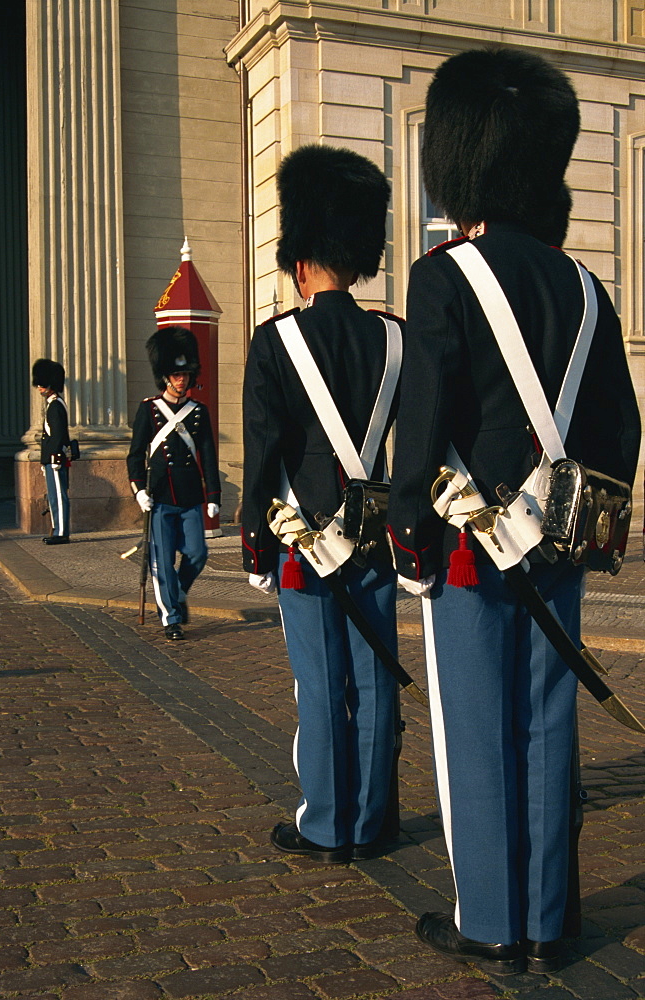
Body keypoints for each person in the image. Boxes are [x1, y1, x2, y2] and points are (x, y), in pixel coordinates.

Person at [388, 48, 641, 975]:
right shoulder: (586, 287)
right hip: (559, 545)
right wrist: (575, 520)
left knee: (477, 732)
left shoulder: (445, 275)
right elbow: (620, 428)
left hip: (468, 548)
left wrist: (409, 528)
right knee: (546, 727)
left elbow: (421, 426)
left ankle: (490, 921)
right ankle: (546, 923)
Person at [242, 144, 404, 863]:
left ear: (300, 262)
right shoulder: (395, 339)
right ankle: (372, 824)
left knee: (319, 683)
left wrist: (256, 537)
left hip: (305, 542)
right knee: (373, 679)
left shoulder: (276, 341)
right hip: (372, 536)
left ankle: (327, 825)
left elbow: (264, 449)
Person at [127, 326, 220, 640]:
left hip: (190, 496)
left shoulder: (198, 412)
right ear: (166, 376)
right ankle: (171, 618)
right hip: (160, 497)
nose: (182, 379)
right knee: (163, 562)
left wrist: (213, 494)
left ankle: (177, 593)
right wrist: (139, 490)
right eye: (176, 374)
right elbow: (135, 454)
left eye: (186, 374)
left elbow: (208, 455)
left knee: (197, 554)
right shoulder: (149, 410)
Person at [32, 358, 71, 545]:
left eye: (41, 384)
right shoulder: (53, 403)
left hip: (55, 458)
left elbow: (57, 435)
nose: (39, 387)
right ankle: (57, 529)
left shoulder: (55, 405)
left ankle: (61, 531)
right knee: (54, 496)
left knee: (59, 496)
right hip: (51, 458)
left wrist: (53, 457)